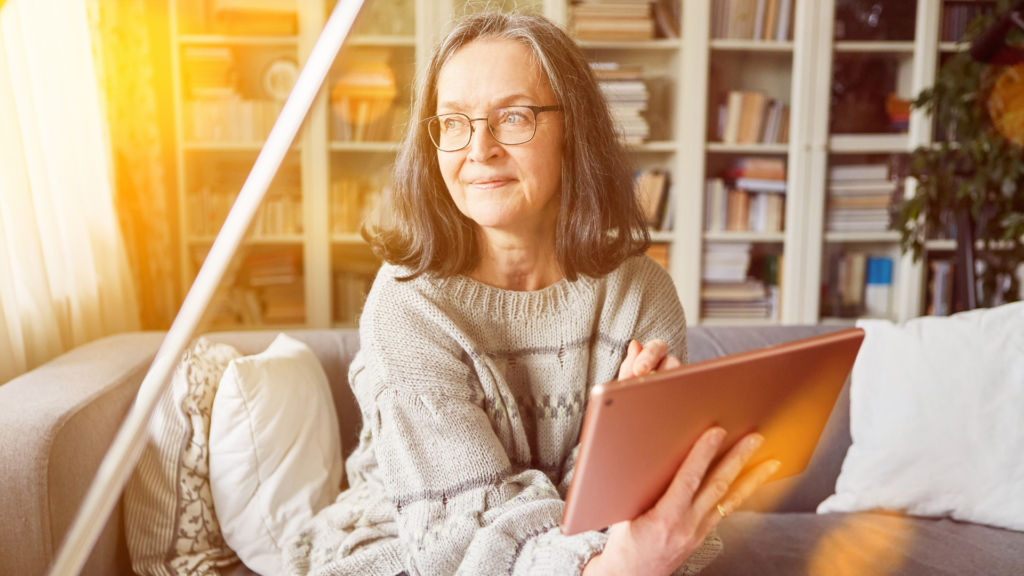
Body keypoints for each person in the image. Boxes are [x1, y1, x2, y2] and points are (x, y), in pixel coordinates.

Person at [285, 11, 780, 576]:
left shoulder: (640, 293)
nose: (480, 148)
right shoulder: (406, 304)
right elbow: (460, 536)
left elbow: (648, 509)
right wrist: (609, 546)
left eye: (513, 117)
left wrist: (618, 461)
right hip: (412, 544)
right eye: (453, 122)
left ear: (575, 130)